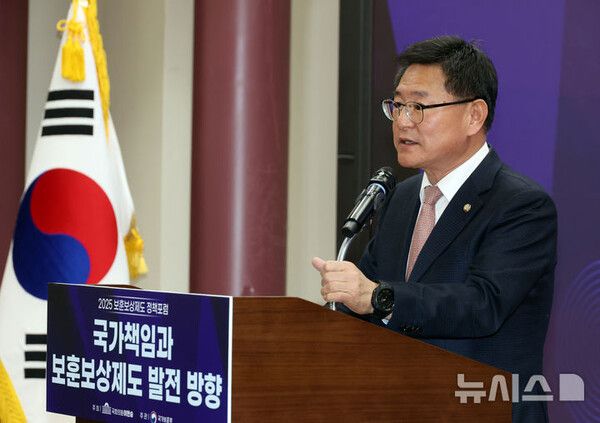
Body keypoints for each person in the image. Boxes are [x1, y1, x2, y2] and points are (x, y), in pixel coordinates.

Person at [312, 36, 557, 422]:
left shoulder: (521, 205)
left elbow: (482, 305)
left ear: (474, 115)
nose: (403, 121)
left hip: (482, 410)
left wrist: (377, 297)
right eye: (398, 105)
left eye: (419, 106)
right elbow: (368, 294)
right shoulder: (401, 198)